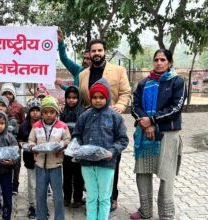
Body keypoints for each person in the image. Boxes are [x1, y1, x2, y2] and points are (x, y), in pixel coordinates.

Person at [129, 49, 187, 220]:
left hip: (168, 133)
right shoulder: (144, 83)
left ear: (170, 62)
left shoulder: (177, 82)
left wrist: (152, 120)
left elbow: (176, 108)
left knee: (166, 174)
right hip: (145, 133)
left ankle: (166, 215)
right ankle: (145, 211)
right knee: (143, 171)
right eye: (156, 59)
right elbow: (135, 105)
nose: (159, 63)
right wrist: (145, 124)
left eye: (163, 59)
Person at [78, 38, 131, 211]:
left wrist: (120, 107)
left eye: (99, 50)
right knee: (90, 162)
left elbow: (125, 93)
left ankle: (111, 197)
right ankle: (93, 196)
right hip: (90, 123)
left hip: (110, 121)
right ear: (89, 54)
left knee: (110, 161)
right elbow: (82, 98)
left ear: (105, 52)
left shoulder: (118, 70)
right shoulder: (83, 74)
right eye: (93, 51)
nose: (96, 54)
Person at [72, 79, 129, 220]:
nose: (98, 100)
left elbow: (123, 139)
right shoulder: (84, 116)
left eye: (101, 97)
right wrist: (78, 149)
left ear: (107, 97)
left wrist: (112, 151)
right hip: (87, 164)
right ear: (90, 98)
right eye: (95, 97)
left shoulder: (115, 116)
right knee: (91, 197)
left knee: (104, 198)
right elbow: (76, 136)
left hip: (106, 164)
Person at [28, 95, 71, 220]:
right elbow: (31, 140)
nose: (48, 115)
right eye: (45, 112)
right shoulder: (36, 126)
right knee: (40, 194)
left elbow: (67, 139)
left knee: (57, 196)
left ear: (56, 112)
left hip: (56, 166)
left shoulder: (62, 126)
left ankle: (59, 217)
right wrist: (32, 147)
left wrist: (61, 146)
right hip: (40, 166)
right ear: (42, 113)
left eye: (52, 112)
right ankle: (41, 217)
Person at [59, 86, 85, 208]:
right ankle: (67, 198)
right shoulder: (63, 112)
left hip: (79, 149)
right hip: (66, 149)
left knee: (79, 176)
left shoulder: (83, 112)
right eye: (68, 97)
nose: (71, 100)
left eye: (74, 98)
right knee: (67, 175)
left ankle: (78, 199)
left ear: (79, 98)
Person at [17, 98, 42, 219]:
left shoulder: (45, 125)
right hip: (30, 160)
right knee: (32, 184)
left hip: (44, 160)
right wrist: (24, 145)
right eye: (33, 110)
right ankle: (32, 206)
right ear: (29, 112)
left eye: (38, 110)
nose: (35, 112)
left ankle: (42, 206)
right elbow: (20, 140)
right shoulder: (24, 126)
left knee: (41, 184)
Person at [0, 83, 25, 195]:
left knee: (16, 163)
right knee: (3, 162)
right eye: (5, 93)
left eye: (10, 93)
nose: (8, 95)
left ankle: (15, 185)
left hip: (15, 139)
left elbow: (23, 123)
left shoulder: (19, 107)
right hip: (2, 140)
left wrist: (21, 139)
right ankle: (4, 186)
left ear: (14, 95)